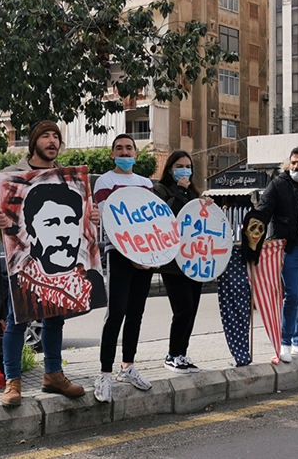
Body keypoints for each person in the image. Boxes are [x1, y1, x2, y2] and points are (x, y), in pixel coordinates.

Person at [0, 121, 93, 407]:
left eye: (56, 136)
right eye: (45, 135)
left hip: (62, 263)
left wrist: (91, 218)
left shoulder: (66, 178)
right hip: (23, 262)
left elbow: (83, 215)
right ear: (34, 142)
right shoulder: (13, 176)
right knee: (17, 320)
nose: (52, 141)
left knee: (55, 317)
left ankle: (53, 374)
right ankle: (12, 380)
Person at [93, 134, 155, 402]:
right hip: (119, 252)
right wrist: (130, 254)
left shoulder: (146, 183)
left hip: (145, 255)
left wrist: (152, 253)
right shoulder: (105, 181)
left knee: (136, 313)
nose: (124, 152)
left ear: (136, 153)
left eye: (129, 148)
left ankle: (127, 365)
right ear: (112, 154)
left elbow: (154, 218)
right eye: (119, 148)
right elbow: (111, 218)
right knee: (116, 312)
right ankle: (105, 372)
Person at [256, 146, 298, 362]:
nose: (296, 166)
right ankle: (285, 342)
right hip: (290, 249)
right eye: (293, 162)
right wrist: (253, 234)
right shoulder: (278, 184)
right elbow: (264, 210)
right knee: (292, 295)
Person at [153, 150, 212, 374]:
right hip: (173, 263)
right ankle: (171, 354)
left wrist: (205, 204)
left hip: (193, 260)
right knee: (183, 310)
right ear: (170, 168)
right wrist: (179, 192)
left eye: (188, 166)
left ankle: (182, 354)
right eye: (179, 166)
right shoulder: (161, 190)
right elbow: (166, 216)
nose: (184, 170)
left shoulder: (193, 193)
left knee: (192, 310)